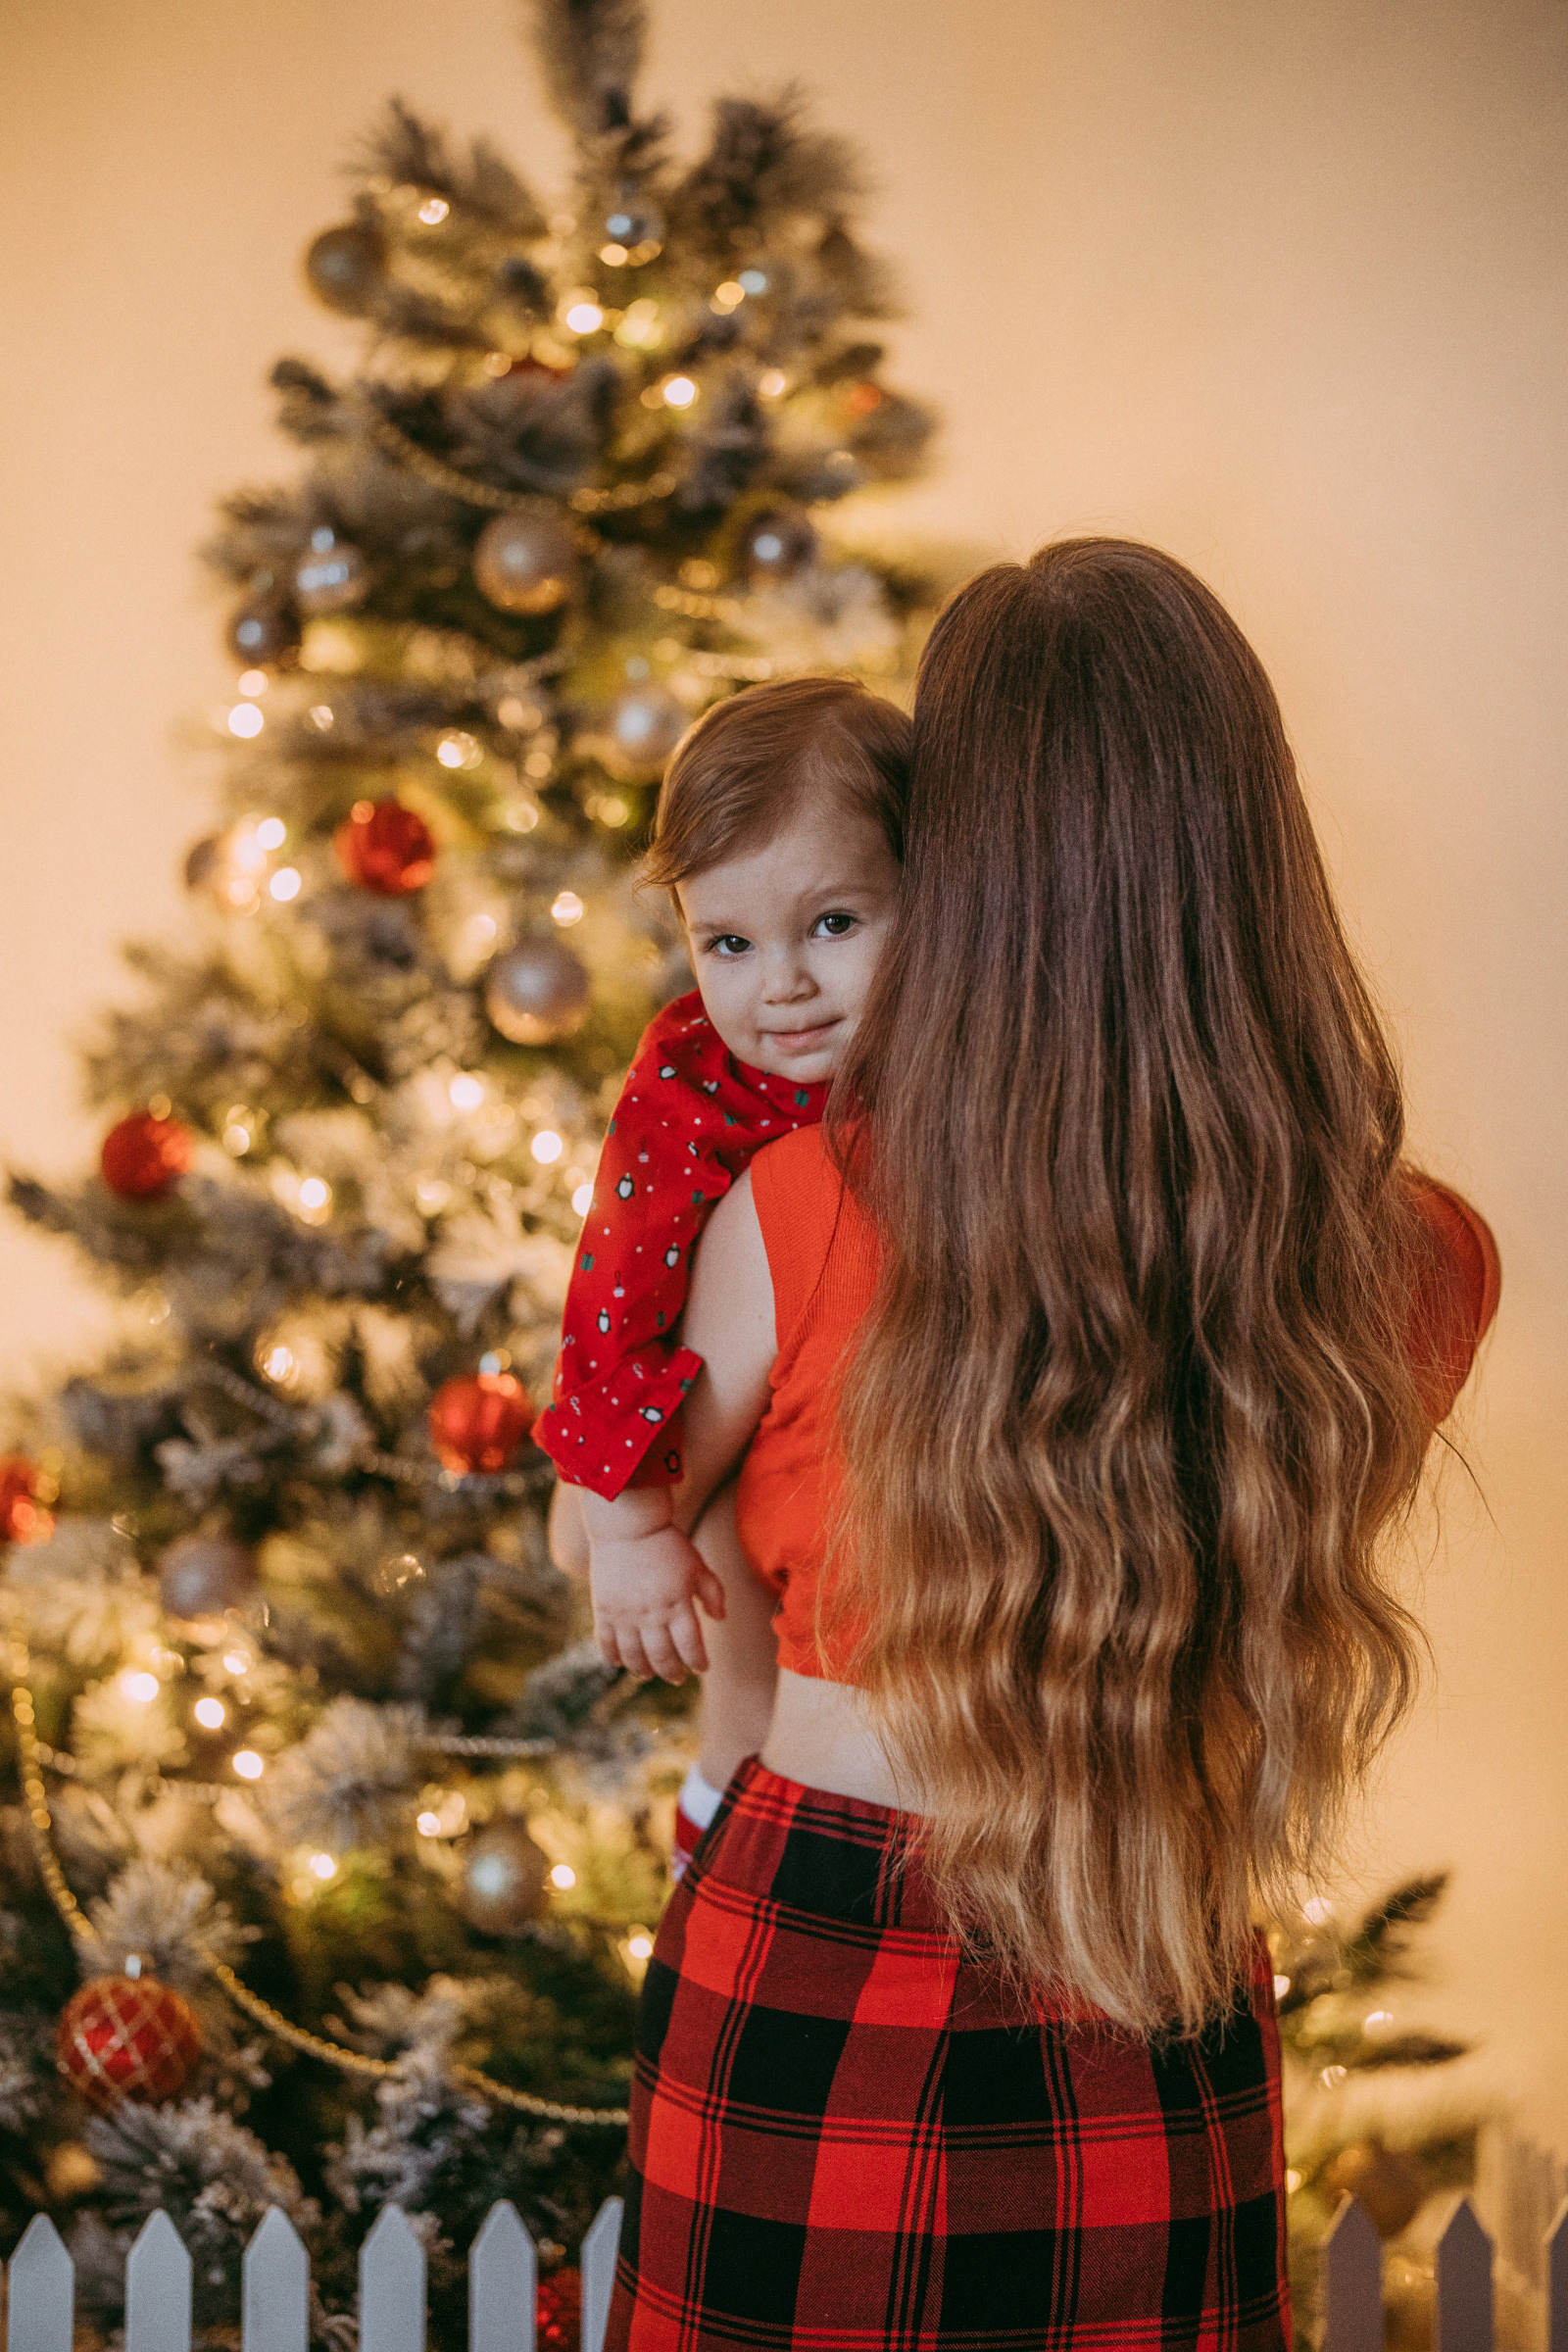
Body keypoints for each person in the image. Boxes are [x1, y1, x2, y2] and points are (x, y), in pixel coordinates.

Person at [599, 540, 1500, 2350]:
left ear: (965, 867)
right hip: (1146, 1954)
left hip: (815, 1938)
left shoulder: (795, 1205)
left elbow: (608, 1535)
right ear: (1257, 844)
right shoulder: (1408, 1257)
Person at [540, 675, 909, 1869]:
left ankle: (733, 1794)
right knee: (727, 1587)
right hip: (675, 1412)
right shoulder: (691, 1090)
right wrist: (630, 1526)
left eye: (834, 925)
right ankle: (719, 1800)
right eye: (730, 944)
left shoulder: (948, 1060)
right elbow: (608, 1308)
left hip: (837, 1431)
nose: (781, 986)